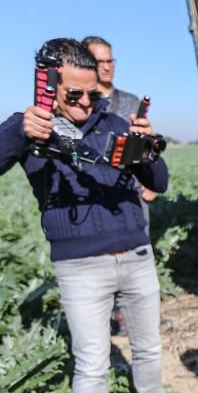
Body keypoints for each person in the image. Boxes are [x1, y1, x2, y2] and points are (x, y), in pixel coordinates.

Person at [0, 39, 198, 393]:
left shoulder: (113, 123)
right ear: (49, 87)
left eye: (92, 93)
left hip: (135, 254)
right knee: (92, 362)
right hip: (81, 266)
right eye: (74, 94)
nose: (85, 102)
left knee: (149, 345)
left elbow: (160, 182)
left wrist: (147, 149)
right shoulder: (32, 129)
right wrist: (21, 131)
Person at [83, 35, 158, 336]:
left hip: (131, 194)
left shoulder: (128, 102)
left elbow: (144, 145)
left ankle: (136, 319)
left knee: (138, 253)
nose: (106, 67)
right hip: (96, 195)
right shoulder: (81, 105)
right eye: (99, 61)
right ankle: (108, 318)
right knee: (102, 258)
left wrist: (150, 179)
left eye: (110, 60)